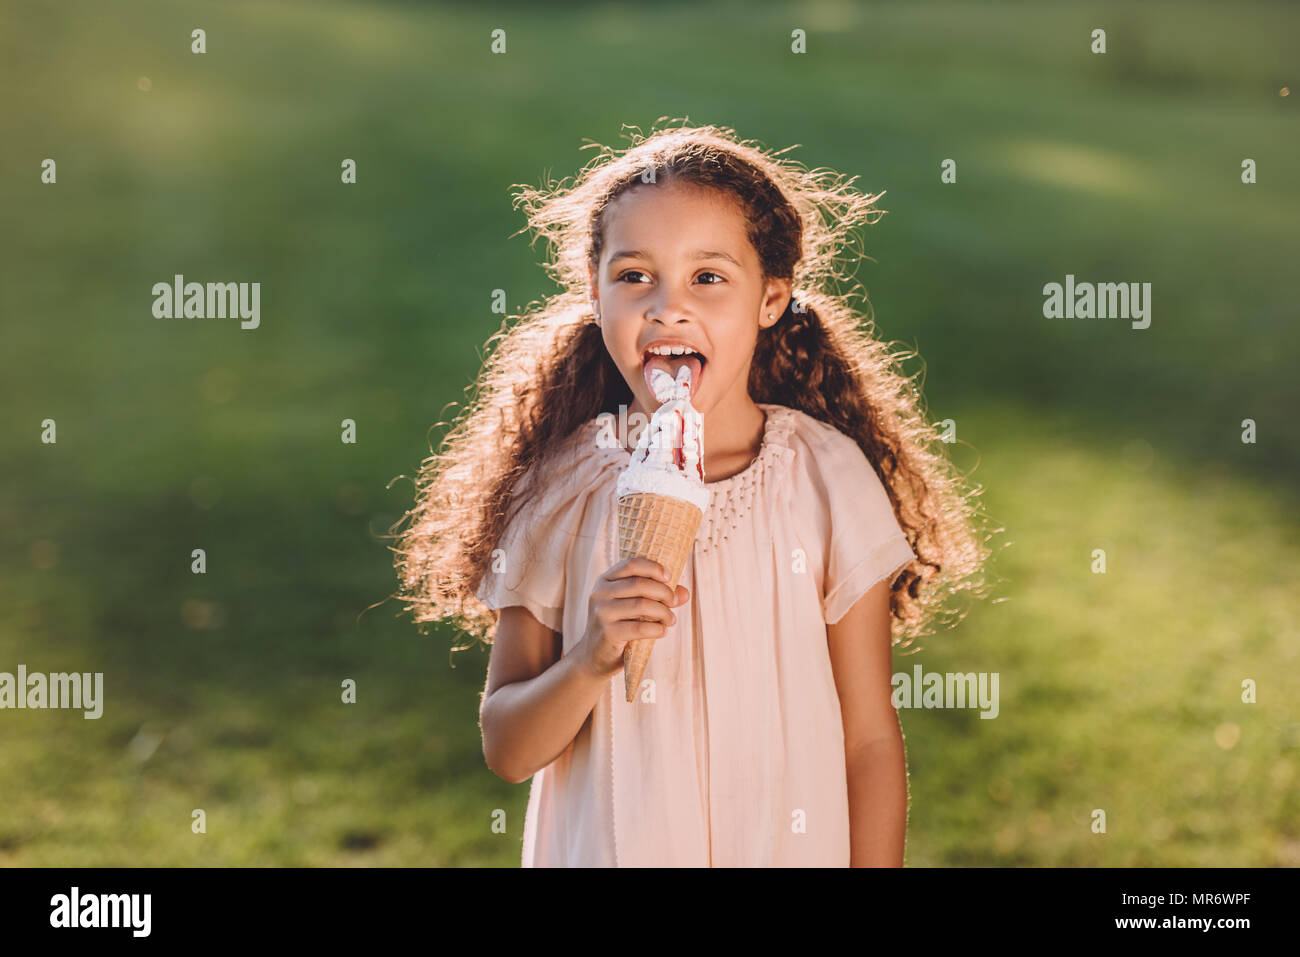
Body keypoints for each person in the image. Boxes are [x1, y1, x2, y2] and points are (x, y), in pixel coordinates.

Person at [392, 121, 993, 866]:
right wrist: (591, 655)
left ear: (771, 298)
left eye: (708, 277)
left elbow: (867, 736)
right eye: (634, 275)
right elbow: (509, 748)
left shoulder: (825, 477)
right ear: (594, 290)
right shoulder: (559, 491)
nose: (667, 308)